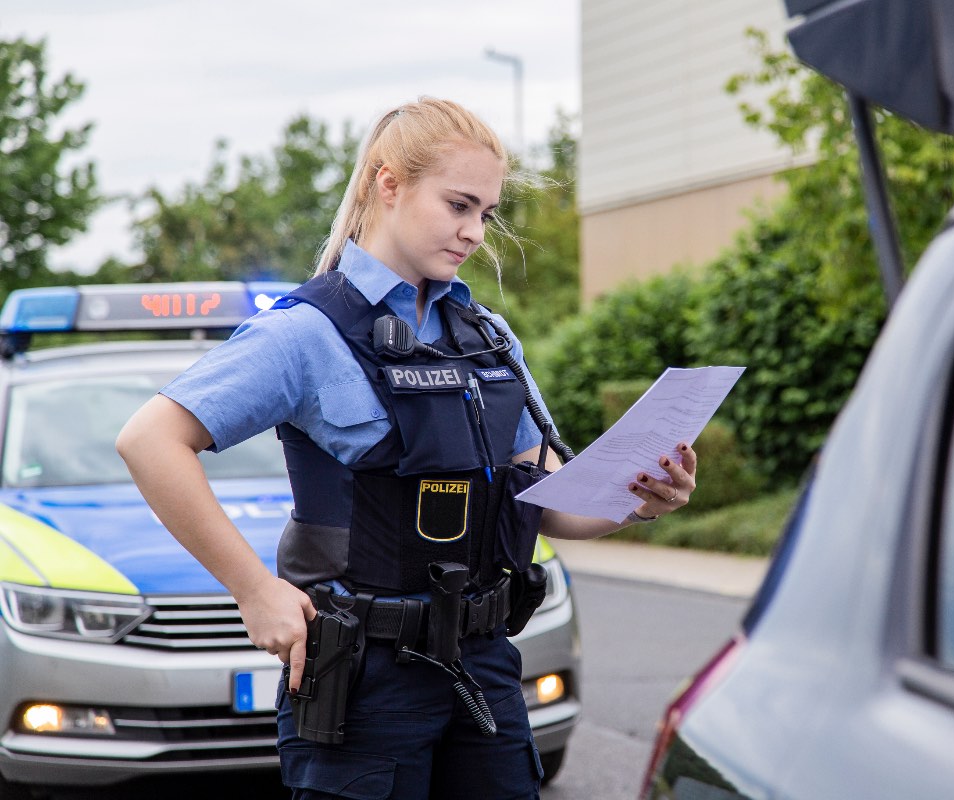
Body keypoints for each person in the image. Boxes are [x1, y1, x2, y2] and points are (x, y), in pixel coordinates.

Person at [116, 97, 697, 800]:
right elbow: (150, 440)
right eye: (459, 205)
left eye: (486, 212)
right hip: (364, 682)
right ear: (387, 184)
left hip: (482, 668)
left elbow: (554, 502)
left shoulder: (487, 336)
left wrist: (637, 498)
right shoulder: (306, 332)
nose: (475, 231)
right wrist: (253, 590)